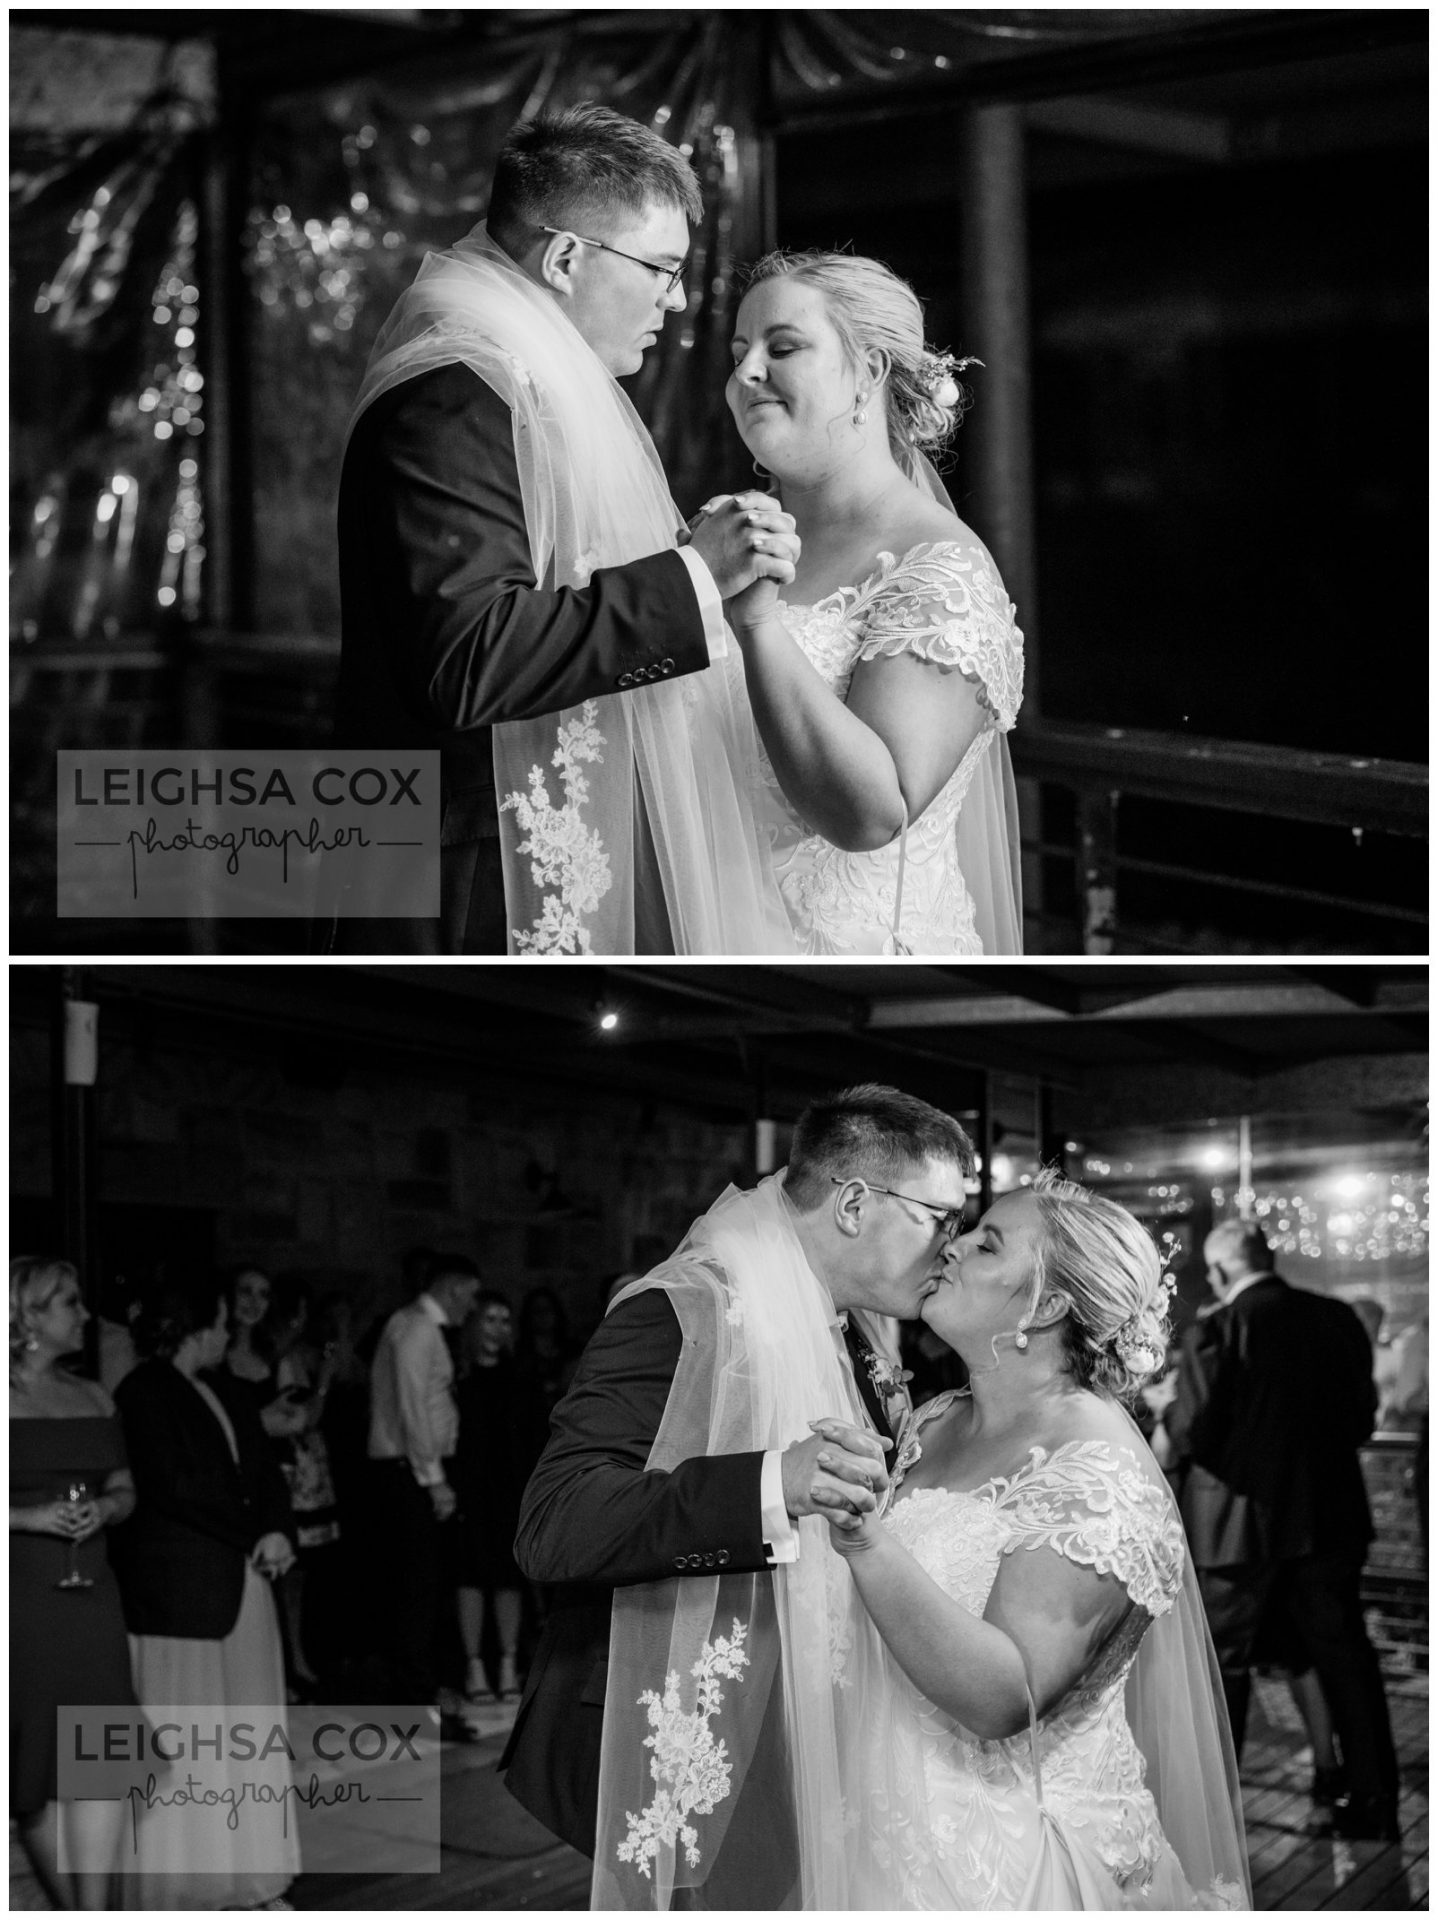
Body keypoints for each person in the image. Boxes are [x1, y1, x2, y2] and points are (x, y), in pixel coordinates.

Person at [334, 102, 800, 954]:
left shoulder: (527, 377)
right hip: (461, 861)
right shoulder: (455, 395)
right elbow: (468, 659)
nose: (679, 298)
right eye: (661, 269)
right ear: (565, 257)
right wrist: (693, 575)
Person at [501, 1083, 973, 1906]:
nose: (952, 1246)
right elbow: (556, 1523)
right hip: (695, 1727)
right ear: (856, 1203)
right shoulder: (678, 1310)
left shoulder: (854, 1326)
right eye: (941, 1217)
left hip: (815, 1728)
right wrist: (769, 1482)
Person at [812, 1172, 1250, 1908]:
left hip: (1008, 1860)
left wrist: (864, 1539)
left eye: (987, 1244)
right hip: (881, 1815)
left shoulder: (1097, 1475)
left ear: (1047, 1305)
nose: (951, 1249)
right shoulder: (939, 1418)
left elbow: (1002, 1695)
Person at [721, 249, 1024, 953]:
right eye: (737, 353)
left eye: (783, 347)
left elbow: (870, 815)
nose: (744, 374)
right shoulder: (729, 538)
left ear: (871, 372)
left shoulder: (940, 570)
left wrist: (759, 621)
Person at [1164, 1218, 1400, 1842]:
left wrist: (1166, 1409)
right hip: (1328, 1518)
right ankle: (1375, 1807)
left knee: (1226, 1671)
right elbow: (1361, 1418)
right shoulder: (1337, 1319)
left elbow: (1195, 1433)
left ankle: (1217, 1819)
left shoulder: (1218, 1327)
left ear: (1219, 1271)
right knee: (1347, 1660)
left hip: (1237, 1528)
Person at [112, 1273, 298, 1909]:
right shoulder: (142, 1392)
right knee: (185, 1738)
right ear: (192, 1327)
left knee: (249, 1734)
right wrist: (254, 1527)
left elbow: (265, 1473)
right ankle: (180, 1886)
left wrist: (276, 1526)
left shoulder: (225, 1387)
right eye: (221, 1321)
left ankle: (251, 1879)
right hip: (177, 1593)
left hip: (243, 1577)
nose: (228, 1333)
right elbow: (173, 1484)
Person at [10, 1256, 137, 1910]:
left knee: (101, 1755)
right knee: (29, 1765)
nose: (85, 1315)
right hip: (19, 1602)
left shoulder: (94, 1395)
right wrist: (24, 1516)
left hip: (93, 1595)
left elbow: (124, 1488)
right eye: (69, 1303)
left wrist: (109, 1509)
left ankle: (90, 1910)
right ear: (28, 1316)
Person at [367, 1252, 481, 1703]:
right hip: (409, 1472)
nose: (470, 1308)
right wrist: (432, 1479)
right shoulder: (416, 1328)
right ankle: (414, 1697)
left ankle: (421, 1690)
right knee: (416, 1590)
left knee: (422, 1588)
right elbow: (413, 1408)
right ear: (453, 1288)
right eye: (470, 1296)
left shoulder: (417, 1326)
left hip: (411, 1469)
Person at [451, 1290, 547, 1702]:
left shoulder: (519, 1375)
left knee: (508, 1576)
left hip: (509, 1484)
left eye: (505, 1320)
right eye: (489, 1319)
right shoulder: (457, 1376)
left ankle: (508, 1662)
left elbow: (532, 1434)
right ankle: (473, 1665)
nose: (498, 1328)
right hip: (468, 1486)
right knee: (469, 1573)